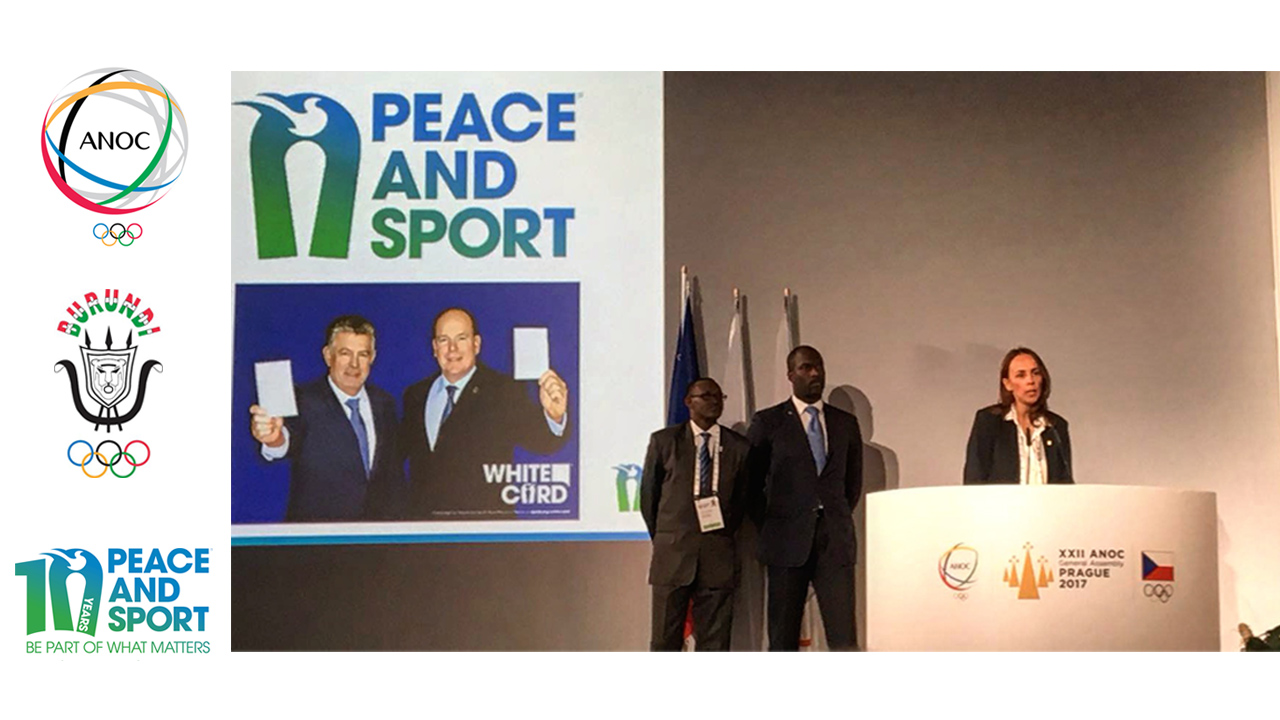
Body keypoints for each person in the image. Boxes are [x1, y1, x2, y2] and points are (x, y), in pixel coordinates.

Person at [402, 307, 570, 519]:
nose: (452, 349)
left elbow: (541, 441)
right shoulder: (415, 395)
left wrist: (554, 416)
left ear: (476, 344)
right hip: (426, 530)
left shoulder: (503, 390)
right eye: (444, 340)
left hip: (483, 528)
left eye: (461, 338)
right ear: (435, 347)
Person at [747, 345, 862, 651]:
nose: (815, 373)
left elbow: (852, 485)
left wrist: (830, 515)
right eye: (806, 367)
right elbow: (751, 484)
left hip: (834, 542)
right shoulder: (768, 422)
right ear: (790, 375)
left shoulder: (845, 423)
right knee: (783, 639)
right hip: (786, 542)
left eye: (818, 366)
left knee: (844, 639)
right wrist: (773, 524)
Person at [249, 315, 402, 521]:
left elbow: (392, 475)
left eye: (363, 354)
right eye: (345, 353)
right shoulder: (302, 400)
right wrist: (273, 438)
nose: (354, 364)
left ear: (372, 357)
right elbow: (287, 438)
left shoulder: (385, 403)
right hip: (318, 533)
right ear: (328, 355)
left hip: (375, 533)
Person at [640, 378, 750, 651]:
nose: (714, 401)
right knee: (664, 641)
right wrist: (668, 537)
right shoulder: (665, 441)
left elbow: (741, 502)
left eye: (719, 396)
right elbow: (649, 498)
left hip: (717, 557)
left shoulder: (739, 447)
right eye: (706, 396)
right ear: (689, 402)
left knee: (715, 644)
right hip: (672, 556)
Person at [963, 347, 1073, 484]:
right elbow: (974, 479)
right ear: (1008, 384)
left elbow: (1065, 484)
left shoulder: (1056, 426)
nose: (1030, 380)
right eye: (1021, 375)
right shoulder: (989, 422)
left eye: (1036, 373)